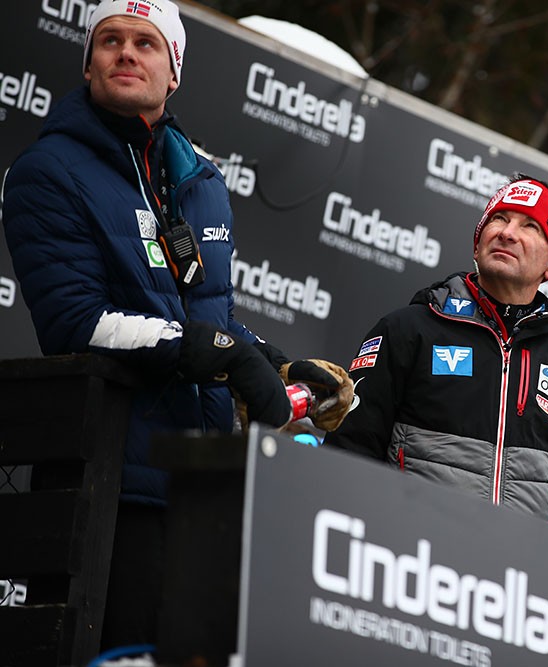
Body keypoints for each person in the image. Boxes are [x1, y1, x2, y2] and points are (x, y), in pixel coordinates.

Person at [1, 0, 351, 648]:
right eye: (109, 40)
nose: (126, 52)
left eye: (146, 42)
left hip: (202, 492)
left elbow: (208, 316)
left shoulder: (198, 178)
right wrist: (221, 352)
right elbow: (77, 321)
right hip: (110, 488)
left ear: (175, 70)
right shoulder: (46, 171)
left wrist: (272, 360)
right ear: (88, 64)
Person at [326, 173, 548, 538]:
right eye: (499, 219)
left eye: (530, 226)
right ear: (477, 244)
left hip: (520, 570)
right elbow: (348, 454)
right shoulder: (407, 330)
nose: (508, 233)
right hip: (408, 554)